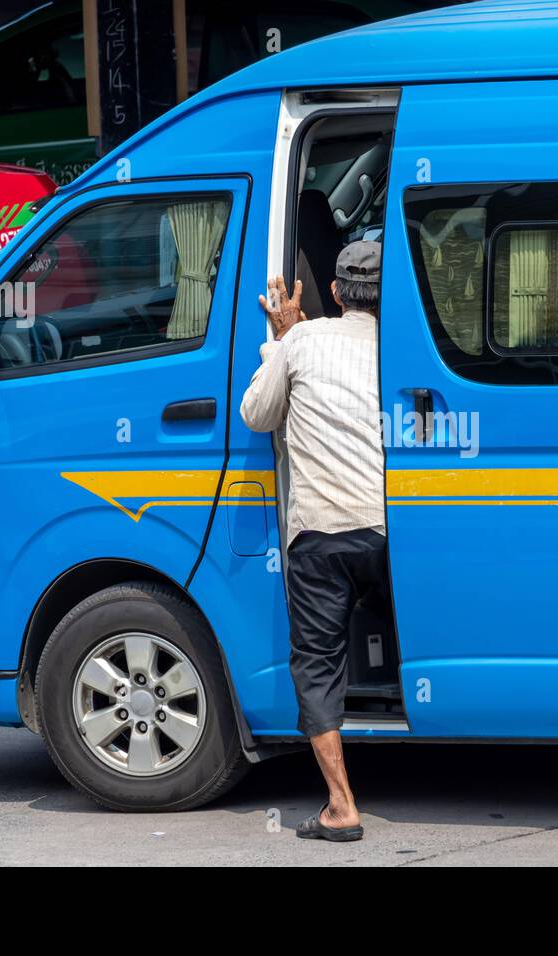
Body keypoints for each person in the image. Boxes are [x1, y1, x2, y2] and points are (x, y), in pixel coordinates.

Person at [239, 240, 387, 843]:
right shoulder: (404, 347)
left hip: (321, 532)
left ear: (333, 288)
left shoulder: (303, 340)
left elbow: (256, 412)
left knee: (319, 666)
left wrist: (282, 338)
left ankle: (341, 805)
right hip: (394, 530)